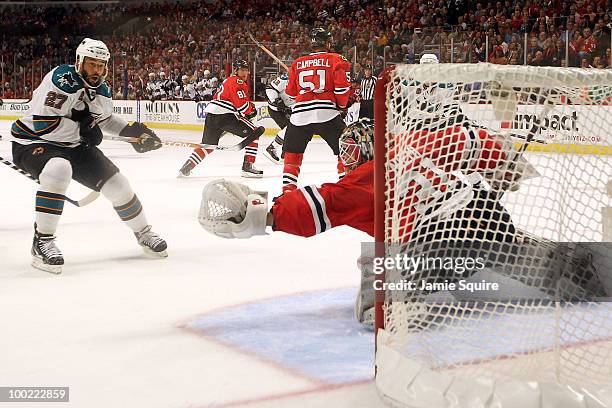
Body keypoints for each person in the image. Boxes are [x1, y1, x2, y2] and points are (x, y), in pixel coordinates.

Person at [10, 38, 167, 274]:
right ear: (79, 62)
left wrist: (131, 133)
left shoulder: (101, 90)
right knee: (58, 169)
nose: (97, 70)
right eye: (92, 64)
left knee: (119, 185)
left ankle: (143, 232)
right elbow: (43, 123)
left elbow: (103, 120)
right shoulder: (61, 80)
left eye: (101, 65)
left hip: (73, 145)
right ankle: (42, 241)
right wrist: (82, 128)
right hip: (33, 141)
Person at [281, 27, 352, 193]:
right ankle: (347, 189)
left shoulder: (297, 63)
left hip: (299, 116)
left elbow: (290, 93)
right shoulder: (337, 59)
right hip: (326, 113)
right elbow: (342, 90)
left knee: (292, 158)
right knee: (345, 151)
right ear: (327, 42)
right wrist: (341, 107)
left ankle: (287, 192)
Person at [177, 59, 265, 178]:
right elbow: (242, 106)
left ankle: (186, 167)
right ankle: (247, 167)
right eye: (242, 70)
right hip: (225, 115)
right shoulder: (237, 82)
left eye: (246, 70)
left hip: (211, 115)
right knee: (255, 133)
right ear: (236, 71)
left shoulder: (228, 80)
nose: (244, 73)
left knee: (208, 145)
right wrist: (252, 109)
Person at [262, 73, 293, 164]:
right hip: (277, 110)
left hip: (290, 110)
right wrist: (276, 100)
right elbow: (270, 88)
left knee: (293, 131)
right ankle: (272, 148)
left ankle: (285, 155)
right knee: (290, 129)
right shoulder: (287, 77)